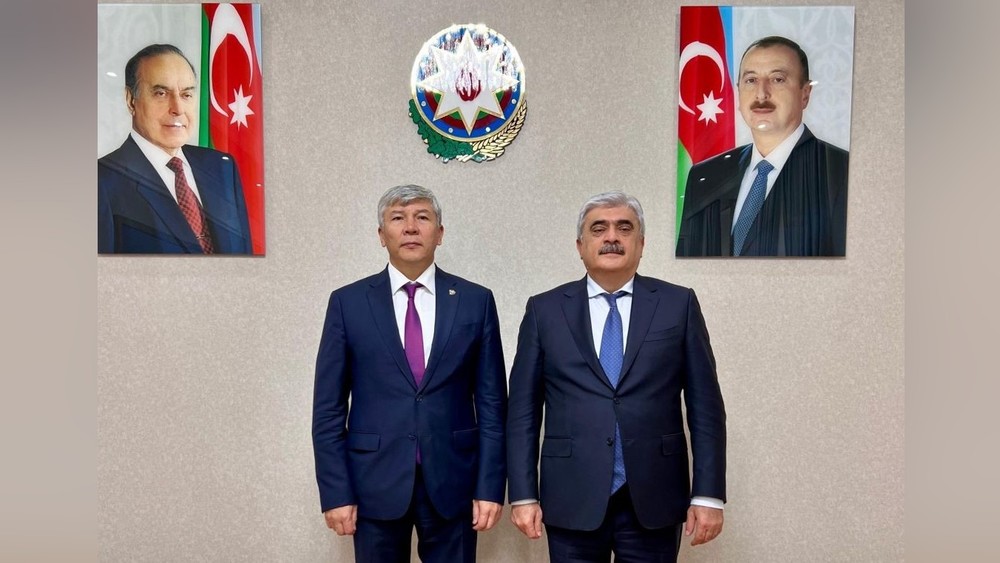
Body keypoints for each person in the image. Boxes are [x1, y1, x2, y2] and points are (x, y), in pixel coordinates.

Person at [507, 191, 726, 562]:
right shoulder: (544, 310)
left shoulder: (678, 304)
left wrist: (708, 495)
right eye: (599, 229)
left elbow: (706, 407)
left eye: (624, 228)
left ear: (641, 244)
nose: (612, 237)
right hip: (571, 495)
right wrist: (524, 494)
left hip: (656, 496)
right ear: (580, 245)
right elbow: (522, 412)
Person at [312, 185, 507, 563]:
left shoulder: (475, 300)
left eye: (422, 217)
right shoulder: (348, 303)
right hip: (373, 483)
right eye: (398, 218)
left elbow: (492, 404)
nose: (411, 228)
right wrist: (336, 492)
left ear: (440, 233)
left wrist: (490, 486)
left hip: (454, 481)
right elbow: (328, 409)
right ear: (381, 235)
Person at [677, 35, 849, 257]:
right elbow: (687, 264)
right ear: (738, 92)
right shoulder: (706, 175)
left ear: (805, 94)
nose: (761, 94)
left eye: (777, 79)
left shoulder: (841, 172)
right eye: (751, 80)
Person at [98, 44, 252, 254]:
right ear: (131, 100)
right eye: (161, 93)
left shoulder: (222, 167)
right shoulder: (101, 182)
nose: (178, 109)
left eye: (186, 95)